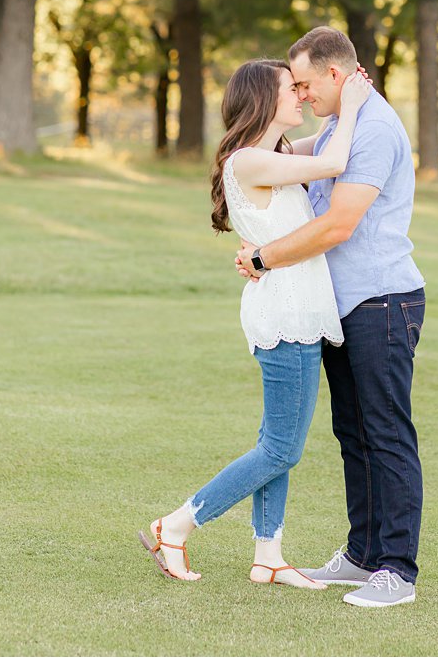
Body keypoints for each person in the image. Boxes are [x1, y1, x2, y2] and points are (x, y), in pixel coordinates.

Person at [140, 59, 370, 587]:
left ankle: (268, 555)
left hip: (296, 312)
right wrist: (352, 104)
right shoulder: (248, 161)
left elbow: (325, 145)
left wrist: (346, 103)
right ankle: (174, 526)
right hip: (285, 316)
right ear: (264, 100)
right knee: (282, 448)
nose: (302, 96)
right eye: (292, 89)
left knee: (276, 439)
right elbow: (336, 159)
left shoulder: (273, 156)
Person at [232, 26, 426, 610]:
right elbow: (300, 159)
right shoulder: (344, 126)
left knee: (386, 433)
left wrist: (264, 257)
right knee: (354, 433)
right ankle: (363, 554)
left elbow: (339, 224)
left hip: (382, 302)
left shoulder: (373, 129)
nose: (301, 91)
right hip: (343, 307)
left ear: (335, 76)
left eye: (306, 82)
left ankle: (397, 569)